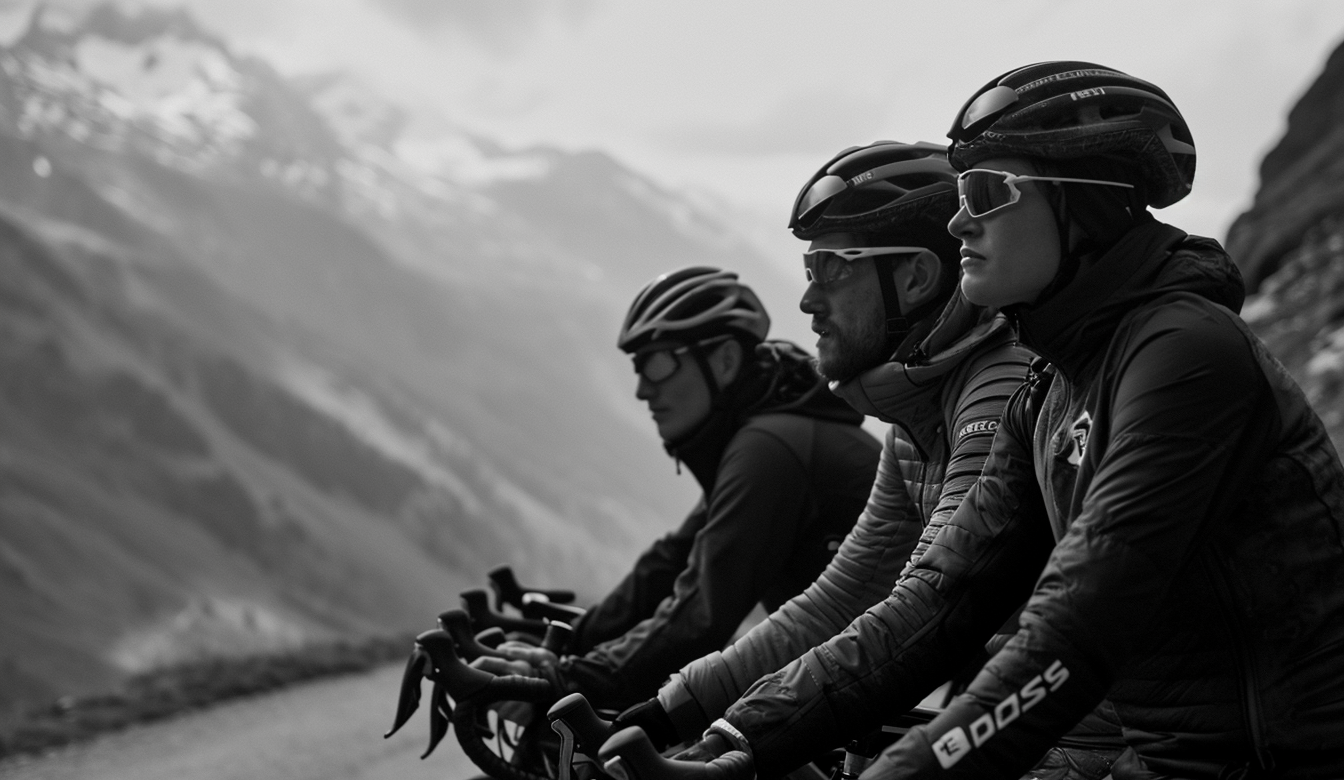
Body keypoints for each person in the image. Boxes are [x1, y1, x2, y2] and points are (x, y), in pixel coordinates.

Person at [666, 63, 1344, 779]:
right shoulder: (1052, 385)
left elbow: (1077, 627)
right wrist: (738, 738)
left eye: (987, 192)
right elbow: (939, 606)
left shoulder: (1185, 357)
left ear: (1086, 204)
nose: (958, 219)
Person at [617, 144, 1119, 778]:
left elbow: (927, 605)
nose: (805, 301)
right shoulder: (917, 418)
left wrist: (731, 735)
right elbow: (838, 600)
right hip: (1021, 728)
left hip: (1087, 743)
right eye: (807, 267)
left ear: (913, 277)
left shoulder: (997, 387)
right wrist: (666, 713)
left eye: (831, 268)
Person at [476, 266, 880, 710]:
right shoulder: (767, 432)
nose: (642, 389)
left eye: (658, 363)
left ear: (724, 361)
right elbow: (671, 562)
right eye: (637, 366)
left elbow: (702, 612)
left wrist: (570, 679)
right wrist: (574, 642)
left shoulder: (770, 447)